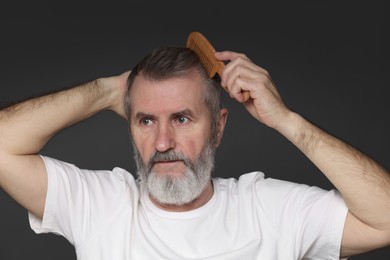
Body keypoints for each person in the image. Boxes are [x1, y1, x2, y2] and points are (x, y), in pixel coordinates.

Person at [0, 46, 389, 260]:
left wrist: (287, 121)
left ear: (219, 127)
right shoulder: (98, 204)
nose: (163, 142)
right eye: (147, 121)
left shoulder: (270, 209)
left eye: (182, 119)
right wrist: (107, 91)